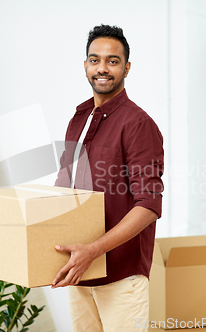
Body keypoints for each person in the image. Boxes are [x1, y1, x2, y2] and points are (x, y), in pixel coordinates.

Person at [52, 24, 164, 332]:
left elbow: (149, 205)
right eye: (95, 59)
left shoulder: (138, 124)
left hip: (121, 275)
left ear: (127, 68)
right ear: (85, 65)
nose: (102, 68)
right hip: (81, 269)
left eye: (112, 61)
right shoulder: (78, 121)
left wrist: (94, 249)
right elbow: (65, 189)